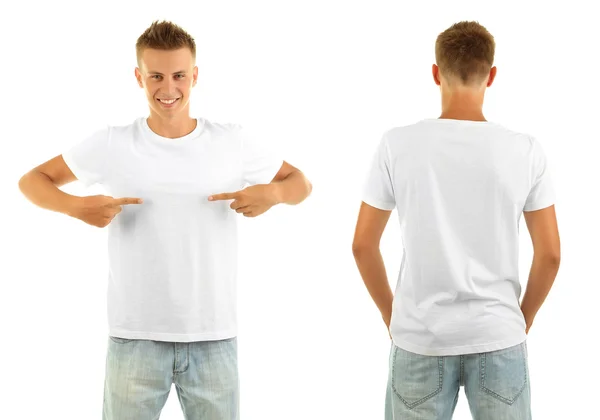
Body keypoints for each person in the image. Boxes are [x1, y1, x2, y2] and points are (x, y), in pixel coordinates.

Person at [18, 20, 312, 420]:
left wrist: (273, 194)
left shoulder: (231, 141)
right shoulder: (113, 143)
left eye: (178, 75)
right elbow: (32, 180)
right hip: (134, 337)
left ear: (195, 76)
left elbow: (301, 184)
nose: (168, 88)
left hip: (213, 336)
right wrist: (75, 207)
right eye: (156, 76)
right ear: (139, 77)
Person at [352, 21, 560, 420]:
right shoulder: (525, 150)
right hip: (498, 333)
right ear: (492, 76)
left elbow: (363, 244)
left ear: (435, 73)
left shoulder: (397, 144)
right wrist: (520, 319)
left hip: (420, 337)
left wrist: (391, 315)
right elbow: (550, 254)